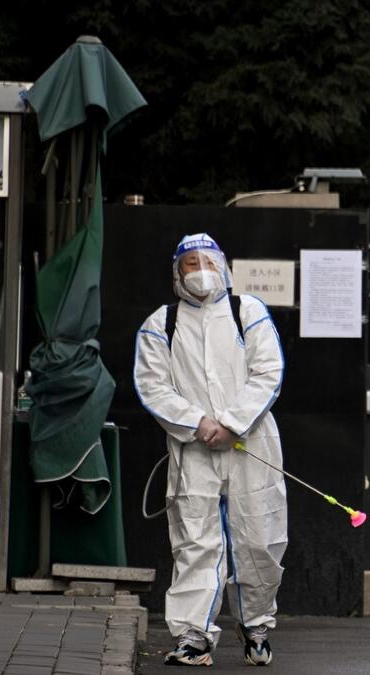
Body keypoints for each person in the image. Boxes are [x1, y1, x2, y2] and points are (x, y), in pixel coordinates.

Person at [134, 233, 287, 666]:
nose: (200, 271)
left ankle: (256, 624)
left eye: (208, 261)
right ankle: (194, 636)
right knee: (194, 540)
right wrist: (198, 423)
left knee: (260, 537)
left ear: (223, 265)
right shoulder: (161, 324)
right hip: (195, 449)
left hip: (250, 443)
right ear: (176, 273)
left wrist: (233, 423)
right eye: (190, 264)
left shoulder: (247, 312)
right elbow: (152, 386)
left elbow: (268, 372)